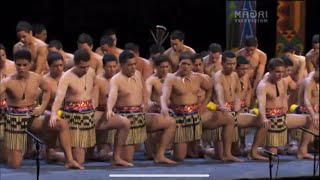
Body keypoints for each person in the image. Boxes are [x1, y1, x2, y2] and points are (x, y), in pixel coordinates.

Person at [0, 49, 82, 169]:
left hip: (32, 117)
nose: (21, 68)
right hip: (14, 122)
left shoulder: (37, 78)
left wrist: (42, 107)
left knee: (62, 123)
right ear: (15, 63)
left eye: (24, 65)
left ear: (30, 64)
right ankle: (7, 150)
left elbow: (47, 90)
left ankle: (69, 160)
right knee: (14, 164)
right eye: (18, 65)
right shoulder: (6, 82)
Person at [249, 58, 315, 160]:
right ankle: (251, 150)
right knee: (273, 156)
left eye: (282, 72)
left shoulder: (285, 78)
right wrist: (263, 118)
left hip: (283, 117)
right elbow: (261, 105)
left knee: (309, 120)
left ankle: (302, 151)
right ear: (270, 71)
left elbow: (295, 88)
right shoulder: (263, 85)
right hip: (270, 119)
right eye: (277, 72)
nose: (280, 74)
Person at [160, 52, 214, 161]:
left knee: (227, 118)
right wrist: (164, 106)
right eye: (183, 63)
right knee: (180, 157)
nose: (185, 66)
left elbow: (210, 88)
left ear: (192, 66)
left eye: (188, 64)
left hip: (195, 117)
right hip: (180, 118)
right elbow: (164, 96)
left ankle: (201, 149)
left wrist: (204, 104)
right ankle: (174, 150)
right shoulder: (171, 78)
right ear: (178, 64)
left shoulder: (199, 77)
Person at [50, 48, 96, 166]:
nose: (85, 70)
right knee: (79, 161)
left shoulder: (91, 71)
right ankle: (53, 154)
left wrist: (94, 103)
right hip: (74, 118)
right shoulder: (66, 77)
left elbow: (94, 87)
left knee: (84, 153)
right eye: (82, 67)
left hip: (88, 116)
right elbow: (59, 98)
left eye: (87, 66)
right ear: (75, 64)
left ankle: (75, 151)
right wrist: (54, 114)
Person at [92, 53, 133, 166]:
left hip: (117, 113)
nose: (112, 69)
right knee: (87, 156)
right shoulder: (98, 80)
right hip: (100, 114)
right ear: (104, 67)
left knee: (125, 156)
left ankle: (115, 155)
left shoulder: (122, 79)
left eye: (114, 66)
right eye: (109, 67)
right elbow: (94, 103)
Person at [107, 50, 147, 164]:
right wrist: (109, 109)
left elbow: (144, 90)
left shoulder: (138, 74)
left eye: (135, 64)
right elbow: (112, 96)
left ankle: (157, 154)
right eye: (130, 65)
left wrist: (145, 104)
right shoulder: (116, 79)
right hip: (124, 118)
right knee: (128, 159)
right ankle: (110, 154)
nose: (133, 67)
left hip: (139, 117)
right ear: (121, 65)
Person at [144, 54, 177, 164]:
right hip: (155, 112)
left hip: (172, 111)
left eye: (167, 67)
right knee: (150, 155)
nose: (164, 69)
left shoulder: (173, 78)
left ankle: (164, 151)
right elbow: (147, 97)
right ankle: (153, 150)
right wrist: (149, 102)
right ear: (156, 67)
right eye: (162, 67)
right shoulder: (151, 80)